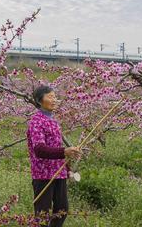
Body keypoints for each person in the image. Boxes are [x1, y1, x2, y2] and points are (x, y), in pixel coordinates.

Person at [26, 86, 81, 227]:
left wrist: (67, 169)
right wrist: (64, 151)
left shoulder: (54, 121)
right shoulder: (36, 121)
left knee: (62, 210)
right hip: (43, 175)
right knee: (42, 215)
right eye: (50, 97)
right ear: (39, 100)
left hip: (59, 173)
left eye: (54, 96)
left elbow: (57, 147)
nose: (54, 100)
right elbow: (39, 149)